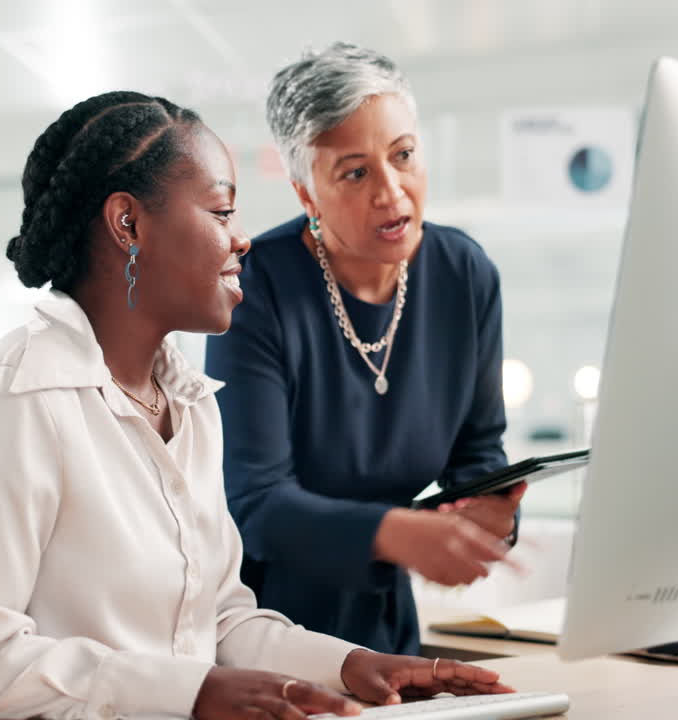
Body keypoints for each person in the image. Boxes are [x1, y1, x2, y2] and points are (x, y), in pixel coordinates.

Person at [0, 91, 513, 720]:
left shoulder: (191, 402)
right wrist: (191, 692)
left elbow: (221, 621)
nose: (242, 240)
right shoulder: (20, 394)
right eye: (222, 212)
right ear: (129, 224)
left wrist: (352, 666)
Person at [205, 43, 525, 656]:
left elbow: (477, 453)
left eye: (403, 156)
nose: (391, 190)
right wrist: (396, 533)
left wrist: (491, 515)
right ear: (306, 194)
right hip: (262, 636)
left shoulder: (465, 274)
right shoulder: (254, 290)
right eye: (355, 172)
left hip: (390, 633)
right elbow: (256, 504)